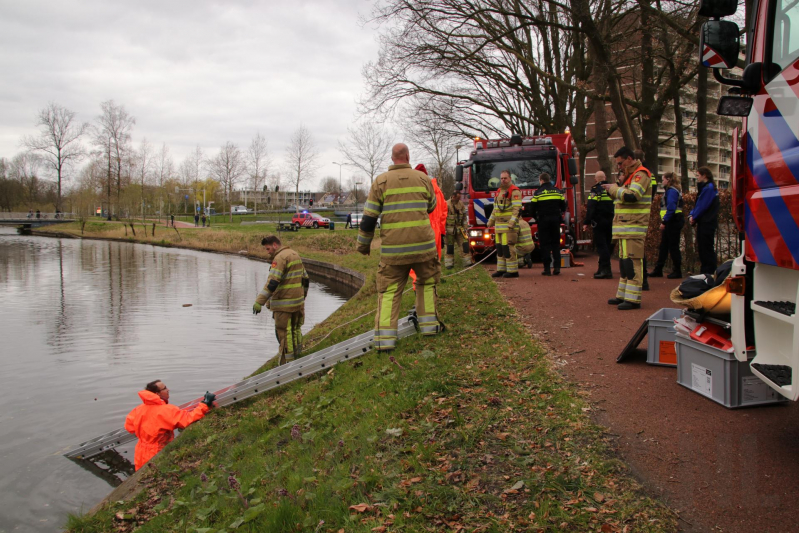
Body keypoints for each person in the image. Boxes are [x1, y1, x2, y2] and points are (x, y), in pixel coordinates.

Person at [357, 143, 442, 351]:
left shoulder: (381, 182)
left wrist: (363, 245)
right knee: (426, 284)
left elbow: (368, 219)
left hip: (394, 253)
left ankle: (385, 342)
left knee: (389, 292)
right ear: (408, 156)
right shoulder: (423, 179)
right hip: (424, 249)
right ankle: (430, 328)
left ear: (392, 158)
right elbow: (432, 206)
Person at [124, 380, 215, 471]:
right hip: (157, 451)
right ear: (157, 394)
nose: (168, 389)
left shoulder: (138, 409)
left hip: (140, 452)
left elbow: (129, 427)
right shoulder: (165, 410)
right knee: (158, 474)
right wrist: (205, 404)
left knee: (143, 479)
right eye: (165, 388)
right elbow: (187, 419)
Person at [603, 146, 652, 310]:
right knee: (625, 263)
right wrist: (612, 190)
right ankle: (623, 295)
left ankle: (633, 299)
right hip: (625, 227)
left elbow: (632, 196)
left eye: (620, 163)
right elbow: (623, 195)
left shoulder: (641, 174)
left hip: (633, 226)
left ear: (629, 159)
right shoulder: (630, 176)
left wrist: (615, 189)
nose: (619, 167)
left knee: (632, 263)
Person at [253, 236, 310, 364]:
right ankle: (298, 356)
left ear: (275, 245)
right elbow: (305, 278)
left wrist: (259, 301)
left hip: (284, 305)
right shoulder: (295, 254)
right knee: (296, 330)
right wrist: (302, 297)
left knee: (284, 334)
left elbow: (273, 282)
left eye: (268, 248)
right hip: (298, 303)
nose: (267, 252)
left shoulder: (279, 258)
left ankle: (286, 365)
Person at [487, 170, 523, 278]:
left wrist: (512, 223)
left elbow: (517, 209)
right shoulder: (499, 191)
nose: (503, 180)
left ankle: (513, 271)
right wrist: (490, 221)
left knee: (508, 249)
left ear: (510, 179)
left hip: (508, 227)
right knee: (500, 249)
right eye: (501, 178)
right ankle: (501, 269)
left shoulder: (514, 191)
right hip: (499, 226)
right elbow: (496, 209)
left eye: (505, 178)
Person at [649, 172, 684, 279]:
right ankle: (659, 269)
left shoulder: (672, 191)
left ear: (668, 180)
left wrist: (664, 221)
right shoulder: (672, 190)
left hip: (673, 221)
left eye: (663, 179)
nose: (662, 181)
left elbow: (671, 208)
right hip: (673, 220)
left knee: (673, 247)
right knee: (664, 246)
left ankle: (677, 271)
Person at [531, 172, 566, 276]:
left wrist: (536, 218)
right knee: (555, 244)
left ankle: (547, 269)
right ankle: (557, 267)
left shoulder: (538, 193)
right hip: (555, 220)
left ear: (541, 180)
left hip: (543, 221)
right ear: (549, 180)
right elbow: (563, 206)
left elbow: (532, 208)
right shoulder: (558, 191)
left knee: (545, 244)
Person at [583, 171, 615, 279]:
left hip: (599, 222)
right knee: (607, 245)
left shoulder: (595, 190)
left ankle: (606, 270)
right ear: (605, 177)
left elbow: (591, 207)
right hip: (611, 221)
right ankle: (601, 269)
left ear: (595, 179)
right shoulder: (612, 189)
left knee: (602, 246)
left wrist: (586, 222)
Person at [690, 166, 719, 275]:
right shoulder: (708, 188)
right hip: (707, 222)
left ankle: (708, 272)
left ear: (704, 176)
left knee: (706, 248)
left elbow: (702, 205)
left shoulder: (708, 188)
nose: (697, 178)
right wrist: (693, 215)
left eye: (698, 175)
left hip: (707, 222)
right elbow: (700, 204)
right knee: (705, 248)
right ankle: (707, 271)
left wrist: (694, 217)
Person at [445, 190, 472, 269]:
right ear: (453, 197)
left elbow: (464, 217)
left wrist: (465, 227)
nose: (459, 200)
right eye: (458, 198)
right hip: (449, 229)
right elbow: (442, 218)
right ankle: (449, 264)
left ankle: (467, 262)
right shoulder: (446, 204)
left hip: (460, 229)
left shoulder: (461, 204)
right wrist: (444, 229)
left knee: (465, 245)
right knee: (449, 247)